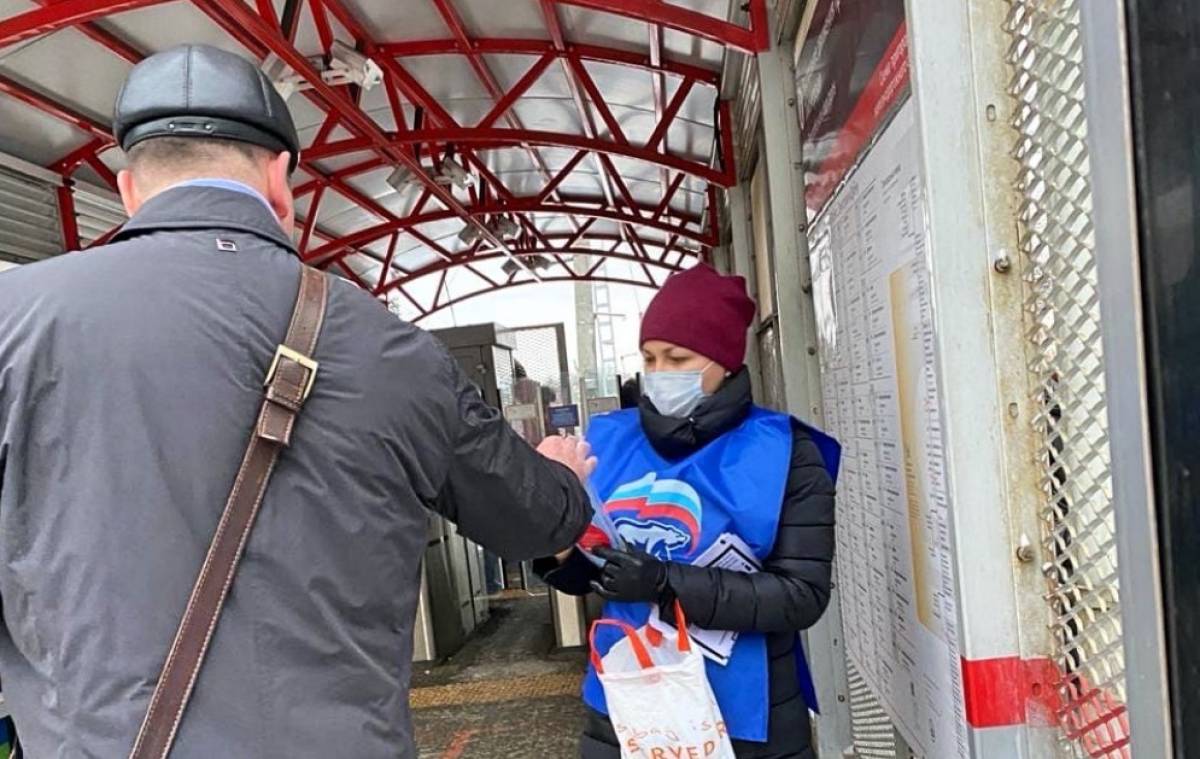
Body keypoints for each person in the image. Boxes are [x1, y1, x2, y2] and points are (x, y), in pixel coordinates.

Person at [0, 44, 594, 756]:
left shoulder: (15, 322)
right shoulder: (389, 347)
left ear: (128, 187)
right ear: (281, 181)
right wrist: (563, 474)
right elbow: (533, 522)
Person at [537, 264, 838, 759]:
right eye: (650, 357)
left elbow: (801, 595)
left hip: (748, 718)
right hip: (629, 706)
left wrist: (664, 582)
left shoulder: (787, 451)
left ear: (724, 362)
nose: (658, 373)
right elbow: (584, 576)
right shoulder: (608, 440)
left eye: (677, 358)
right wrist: (556, 533)